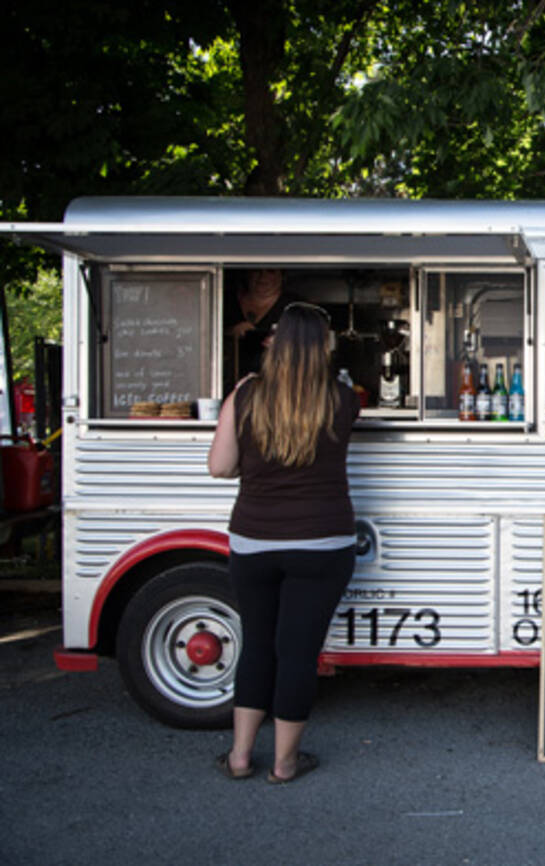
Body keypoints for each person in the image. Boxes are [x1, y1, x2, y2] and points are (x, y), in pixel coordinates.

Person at [207, 302, 360, 784]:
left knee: (258, 647)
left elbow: (219, 467)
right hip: (322, 543)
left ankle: (239, 755)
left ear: (275, 343)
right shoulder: (343, 398)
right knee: (297, 652)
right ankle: (284, 762)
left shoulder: (246, 395)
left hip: (254, 542)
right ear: (322, 347)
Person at [225, 268, 298, 379]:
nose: (263, 277)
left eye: (271, 271)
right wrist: (229, 333)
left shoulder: (295, 306)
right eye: (256, 270)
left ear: (282, 276)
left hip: (278, 381)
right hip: (228, 380)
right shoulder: (225, 301)